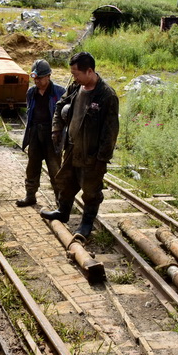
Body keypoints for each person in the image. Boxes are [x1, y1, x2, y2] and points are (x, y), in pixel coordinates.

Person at [40, 52, 119, 239]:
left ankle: (86, 224)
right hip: (72, 148)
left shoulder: (106, 96)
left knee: (91, 191)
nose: (73, 77)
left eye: (76, 73)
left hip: (92, 155)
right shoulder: (76, 87)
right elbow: (61, 105)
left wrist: (102, 159)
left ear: (89, 71)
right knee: (65, 183)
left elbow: (111, 132)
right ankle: (63, 211)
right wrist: (57, 129)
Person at [16, 59, 66, 207]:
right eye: (35, 79)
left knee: (55, 169)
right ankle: (30, 195)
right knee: (32, 167)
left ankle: (60, 200)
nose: (36, 81)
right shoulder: (31, 92)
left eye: (39, 78)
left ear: (48, 76)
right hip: (35, 133)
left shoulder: (60, 92)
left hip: (52, 136)